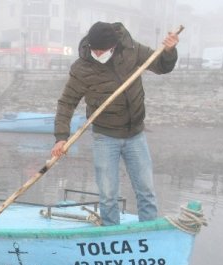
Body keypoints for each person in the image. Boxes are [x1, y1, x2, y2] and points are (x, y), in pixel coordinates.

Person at [50, 22, 179, 226]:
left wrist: (170, 50)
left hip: (135, 134)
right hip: (105, 136)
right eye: (95, 50)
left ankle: (149, 232)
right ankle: (111, 233)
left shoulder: (131, 50)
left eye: (104, 50)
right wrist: (61, 138)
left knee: (146, 190)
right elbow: (66, 103)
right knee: (108, 194)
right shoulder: (82, 68)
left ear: (114, 46)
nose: (99, 53)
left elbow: (162, 66)